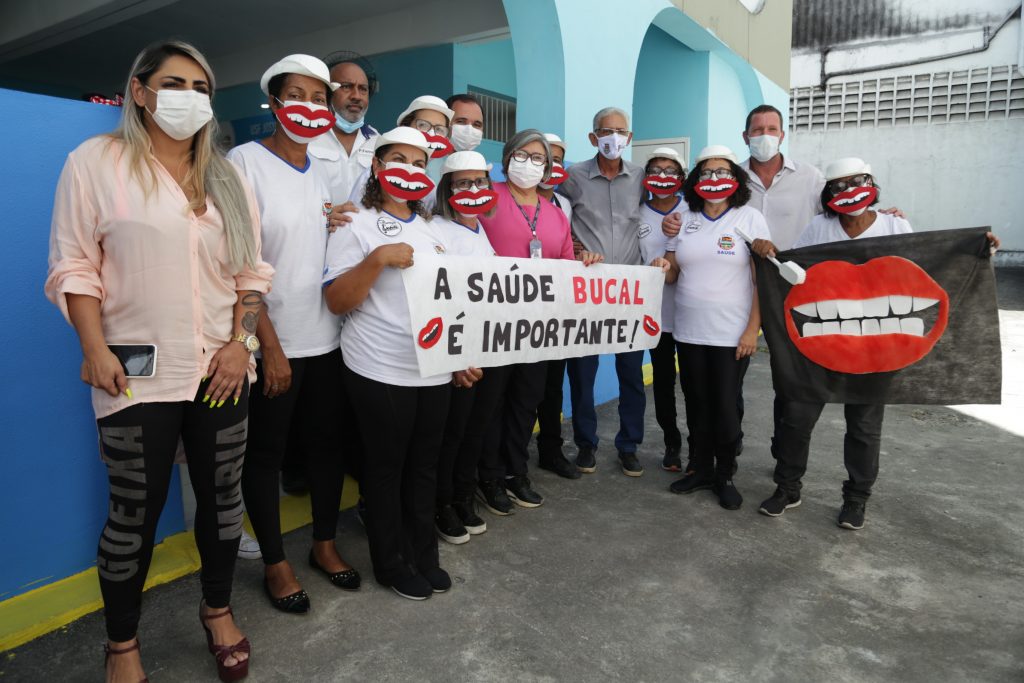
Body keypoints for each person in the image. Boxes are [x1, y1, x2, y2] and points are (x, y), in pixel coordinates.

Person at [45, 40, 272, 683]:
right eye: (175, 83)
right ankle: (122, 645)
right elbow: (74, 265)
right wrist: (93, 349)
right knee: (133, 513)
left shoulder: (227, 178)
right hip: (133, 375)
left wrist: (243, 344)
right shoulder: (95, 163)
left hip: (222, 370)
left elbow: (250, 273)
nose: (189, 97)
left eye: (201, 88)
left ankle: (217, 610)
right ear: (140, 92)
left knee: (222, 501)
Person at [752, 157, 1002, 529]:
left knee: (864, 428)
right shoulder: (818, 228)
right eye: (840, 185)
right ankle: (788, 489)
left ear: (872, 183)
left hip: (874, 348)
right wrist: (769, 253)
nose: (850, 191)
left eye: (858, 181)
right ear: (828, 194)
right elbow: (794, 273)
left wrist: (976, 249)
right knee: (796, 420)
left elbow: (923, 267)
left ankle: (856, 499)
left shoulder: (894, 224)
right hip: (822, 345)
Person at [323, 126, 481, 600]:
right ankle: (391, 563)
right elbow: (336, 300)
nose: (409, 171)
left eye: (418, 163)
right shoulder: (355, 222)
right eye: (398, 160)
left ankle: (424, 554)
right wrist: (376, 260)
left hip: (431, 367)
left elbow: (451, 302)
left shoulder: (433, 229)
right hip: (378, 367)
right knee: (386, 468)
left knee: (425, 466)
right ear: (376, 166)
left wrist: (459, 357)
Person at [228, 54, 360, 615]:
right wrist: (270, 347)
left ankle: (324, 544)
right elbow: (240, 263)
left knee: (327, 447)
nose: (309, 107)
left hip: (326, 338)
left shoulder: (322, 173)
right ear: (275, 103)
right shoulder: (244, 163)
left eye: (318, 98)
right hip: (272, 341)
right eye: (297, 95)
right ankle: (276, 563)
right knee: (267, 453)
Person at [470, 129, 603, 515]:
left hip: (536, 329)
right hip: (493, 324)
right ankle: (489, 476)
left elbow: (564, 265)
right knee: (492, 403)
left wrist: (585, 262)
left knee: (525, 402)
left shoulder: (557, 213)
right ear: (507, 157)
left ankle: (516, 471)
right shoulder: (487, 198)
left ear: (547, 168)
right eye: (522, 155)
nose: (529, 164)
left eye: (538, 158)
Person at [663, 145, 768, 511]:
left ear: (735, 178)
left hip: (730, 333)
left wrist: (752, 330)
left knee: (725, 406)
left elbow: (761, 280)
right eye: (707, 172)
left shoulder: (749, 218)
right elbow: (673, 273)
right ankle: (700, 469)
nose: (714, 178)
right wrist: (660, 266)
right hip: (689, 330)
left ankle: (725, 474)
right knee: (696, 403)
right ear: (696, 180)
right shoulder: (683, 218)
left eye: (723, 171)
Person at [558, 106, 647, 476]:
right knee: (583, 373)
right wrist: (575, 246)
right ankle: (586, 444)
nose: (614, 137)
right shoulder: (573, 177)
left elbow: (659, 213)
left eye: (620, 131)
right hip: (587, 292)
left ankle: (629, 446)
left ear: (629, 137)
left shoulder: (642, 178)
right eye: (606, 131)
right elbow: (555, 215)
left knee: (631, 374)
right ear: (593, 137)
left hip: (630, 292)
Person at [430, 150, 497, 543]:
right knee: (451, 434)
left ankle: (462, 496)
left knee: (475, 430)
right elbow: (438, 297)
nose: (473, 189)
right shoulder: (437, 230)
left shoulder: (480, 228)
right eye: (463, 183)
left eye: (480, 182)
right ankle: (442, 504)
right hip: (455, 354)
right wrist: (455, 358)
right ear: (448, 189)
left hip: (485, 348)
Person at [637, 147, 687, 472]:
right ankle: (672, 443)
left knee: (696, 386)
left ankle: (707, 444)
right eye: (656, 170)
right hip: (656, 315)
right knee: (664, 384)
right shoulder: (638, 213)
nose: (663, 177)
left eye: (670, 171)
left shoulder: (693, 210)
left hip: (691, 314)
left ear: (681, 177)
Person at [532, 132, 579, 479]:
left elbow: (567, 248)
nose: (551, 166)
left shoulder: (564, 205)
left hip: (554, 310)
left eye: (557, 159)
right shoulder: (512, 198)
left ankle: (551, 449)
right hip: (516, 311)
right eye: (545, 159)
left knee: (552, 385)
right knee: (521, 390)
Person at [347, 95, 454, 203]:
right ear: (405, 126)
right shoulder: (373, 176)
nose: (431, 134)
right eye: (423, 125)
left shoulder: (430, 188)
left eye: (439, 129)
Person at [308, 50, 379, 204]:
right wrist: (326, 214)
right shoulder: (307, 135)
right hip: (317, 220)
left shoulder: (377, 141)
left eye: (363, 89)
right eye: (346, 87)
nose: (356, 96)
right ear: (328, 93)